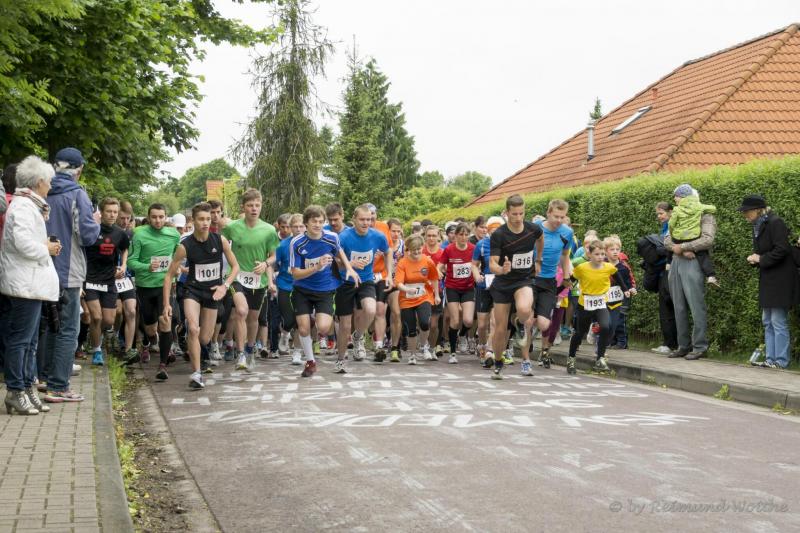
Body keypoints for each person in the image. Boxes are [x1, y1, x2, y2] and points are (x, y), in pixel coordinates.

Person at [0, 156, 60, 414]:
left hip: (30, 283)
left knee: (29, 341)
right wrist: (46, 248)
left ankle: (26, 387)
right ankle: (16, 390)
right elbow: (23, 243)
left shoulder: (29, 205)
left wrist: (46, 247)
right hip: (24, 283)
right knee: (21, 341)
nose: (51, 186)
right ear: (39, 182)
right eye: (49, 181)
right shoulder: (24, 207)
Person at [42, 147, 100, 403]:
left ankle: (45, 378)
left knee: (50, 326)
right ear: (79, 169)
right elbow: (87, 236)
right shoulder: (77, 194)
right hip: (68, 270)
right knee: (68, 329)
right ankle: (59, 386)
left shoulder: (43, 191)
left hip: (43, 268)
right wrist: (95, 221)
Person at [163, 202, 238, 388]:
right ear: (194, 221)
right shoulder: (185, 245)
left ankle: (184, 332)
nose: (205, 222)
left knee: (204, 338)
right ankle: (196, 374)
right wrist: (166, 304)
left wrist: (225, 286)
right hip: (193, 290)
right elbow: (169, 276)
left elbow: (236, 267)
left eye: (207, 219)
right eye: (201, 219)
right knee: (194, 329)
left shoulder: (219, 240)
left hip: (213, 292)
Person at [291, 205, 359, 376]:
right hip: (302, 289)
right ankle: (310, 362)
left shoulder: (331, 237)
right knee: (304, 329)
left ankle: (313, 316)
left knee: (323, 328)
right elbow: (296, 274)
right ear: (306, 223)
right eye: (314, 221)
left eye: (321, 222)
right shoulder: (297, 243)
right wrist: (317, 266)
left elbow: (340, 251)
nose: (318, 225)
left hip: (325, 289)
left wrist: (349, 268)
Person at [221, 189, 280, 371]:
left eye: (257, 205)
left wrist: (265, 263)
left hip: (257, 280)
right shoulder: (232, 227)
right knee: (241, 311)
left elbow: (274, 255)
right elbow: (219, 242)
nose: (254, 209)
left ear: (261, 206)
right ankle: (240, 353)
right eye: (250, 205)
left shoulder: (269, 230)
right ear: (243, 207)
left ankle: (249, 349)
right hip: (237, 276)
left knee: (253, 318)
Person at [739, 195, 799, 369]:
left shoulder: (775, 222)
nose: (744, 214)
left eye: (747, 211)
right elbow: (764, 252)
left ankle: (781, 361)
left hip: (782, 278)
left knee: (778, 321)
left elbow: (782, 249)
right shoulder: (757, 225)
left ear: (758, 209)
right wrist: (755, 260)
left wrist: (761, 258)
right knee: (767, 320)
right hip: (768, 278)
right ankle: (770, 359)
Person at [488, 194, 544, 380]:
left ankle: (519, 322)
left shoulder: (533, 229)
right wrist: (502, 270)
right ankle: (498, 362)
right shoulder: (499, 234)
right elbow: (492, 264)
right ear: (507, 213)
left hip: (523, 279)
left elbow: (540, 239)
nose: (518, 218)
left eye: (521, 213)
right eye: (514, 214)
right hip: (503, 283)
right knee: (500, 329)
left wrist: (538, 259)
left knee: (525, 310)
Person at [664, 184, 716, 360]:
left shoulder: (705, 214)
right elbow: (667, 239)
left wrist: (685, 246)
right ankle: (683, 345)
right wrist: (678, 249)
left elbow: (708, 239)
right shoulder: (677, 214)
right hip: (676, 261)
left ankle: (700, 346)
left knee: (696, 305)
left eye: (679, 197)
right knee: (678, 306)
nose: (677, 200)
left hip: (693, 262)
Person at [127, 203, 181, 368]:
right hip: (145, 286)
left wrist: (177, 268)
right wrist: (147, 267)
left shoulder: (173, 234)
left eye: (161, 217)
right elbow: (131, 261)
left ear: (166, 217)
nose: (158, 220)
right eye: (154, 217)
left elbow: (177, 256)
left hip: (165, 285)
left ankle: (164, 361)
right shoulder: (139, 234)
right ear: (148, 218)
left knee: (165, 320)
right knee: (150, 328)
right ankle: (152, 340)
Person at [336, 204, 392, 362]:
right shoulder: (343, 237)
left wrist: (389, 274)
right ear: (354, 219)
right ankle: (341, 356)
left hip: (366, 280)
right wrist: (349, 264)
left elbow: (388, 252)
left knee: (371, 310)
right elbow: (335, 260)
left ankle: (358, 337)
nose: (366, 223)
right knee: (345, 324)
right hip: (345, 281)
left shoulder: (378, 236)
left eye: (369, 219)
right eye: (362, 219)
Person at [567, 240, 630, 374]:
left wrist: (625, 289)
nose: (600, 257)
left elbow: (617, 276)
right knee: (580, 332)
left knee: (606, 326)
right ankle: (571, 358)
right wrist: (559, 290)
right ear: (589, 255)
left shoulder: (608, 267)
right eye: (597, 254)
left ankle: (600, 359)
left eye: (602, 254)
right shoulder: (582, 268)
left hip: (601, 303)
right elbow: (572, 279)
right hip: (585, 304)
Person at [526, 199, 573, 374]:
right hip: (531, 277)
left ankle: (522, 329)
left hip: (549, 280)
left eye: (562, 217)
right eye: (556, 216)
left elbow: (565, 255)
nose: (559, 220)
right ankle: (526, 356)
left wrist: (566, 277)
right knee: (528, 319)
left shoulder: (567, 232)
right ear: (548, 213)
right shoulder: (535, 228)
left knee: (544, 324)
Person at [83, 197, 130, 366]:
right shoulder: (92, 230)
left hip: (109, 280)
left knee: (109, 320)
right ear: (101, 213)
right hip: (90, 279)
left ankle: (95, 335)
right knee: (96, 317)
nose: (112, 215)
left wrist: (123, 265)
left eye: (115, 212)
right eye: (109, 211)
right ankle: (97, 351)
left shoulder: (120, 233)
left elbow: (124, 248)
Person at [395, 235, 441, 364]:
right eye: (413, 249)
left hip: (424, 296)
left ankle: (423, 345)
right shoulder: (403, 263)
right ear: (408, 249)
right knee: (411, 329)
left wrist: (437, 295)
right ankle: (412, 355)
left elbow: (434, 278)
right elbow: (398, 283)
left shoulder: (427, 261)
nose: (416, 252)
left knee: (425, 323)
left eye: (419, 249)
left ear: (422, 247)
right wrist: (406, 289)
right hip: (407, 299)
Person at [439, 222, 475, 363]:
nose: (463, 237)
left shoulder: (473, 248)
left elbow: (477, 264)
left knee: (468, 320)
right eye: (461, 234)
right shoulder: (449, 249)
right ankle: (453, 353)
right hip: (452, 287)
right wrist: (439, 272)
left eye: (466, 234)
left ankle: (462, 334)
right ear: (455, 235)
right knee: (454, 320)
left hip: (468, 287)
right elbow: (440, 265)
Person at [668, 186, 718, 285]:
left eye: (676, 196)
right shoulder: (699, 207)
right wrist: (683, 249)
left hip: (679, 238)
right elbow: (713, 208)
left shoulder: (677, 209)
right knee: (703, 254)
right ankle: (711, 275)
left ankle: (668, 262)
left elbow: (670, 225)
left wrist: (680, 245)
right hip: (693, 237)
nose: (674, 198)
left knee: (672, 242)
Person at [273, 213, 305, 361]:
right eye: (295, 226)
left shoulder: (311, 244)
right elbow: (272, 262)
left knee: (301, 320)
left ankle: (297, 351)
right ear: (291, 228)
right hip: (285, 285)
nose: (298, 229)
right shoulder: (283, 245)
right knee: (289, 318)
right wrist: (270, 282)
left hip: (303, 286)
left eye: (301, 226)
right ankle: (285, 334)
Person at [472, 216, 503, 364]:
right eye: (493, 230)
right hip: (484, 286)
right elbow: (474, 264)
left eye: (498, 229)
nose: (495, 232)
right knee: (482, 324)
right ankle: (482, 345)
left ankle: (490, 351)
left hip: (500, 286)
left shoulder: (507, 244)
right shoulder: (481, 245)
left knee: (495, 321)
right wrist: (476, 275)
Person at [651, 202, 678, 354]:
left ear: (670, 212)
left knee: (667, 307)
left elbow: (667, 248)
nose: (659, 216)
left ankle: (670, 343)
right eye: (658, 214)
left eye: (661, 213)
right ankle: (672, 343)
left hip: (669, 270)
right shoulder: (665, 227)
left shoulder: (671, 226)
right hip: (667, 270)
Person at [422, 225, 445, 357]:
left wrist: (441, 271)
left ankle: (432, 347)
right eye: (429, 235)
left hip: (438, 290)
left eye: (434, 236)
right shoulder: (421, 251)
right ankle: (424, 344)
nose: (431, 238)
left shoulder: (443, 253)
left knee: (434, 324)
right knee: (424, 321)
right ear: (425, 237)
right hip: (422, 291)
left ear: (438, 237)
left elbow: (447, 269)